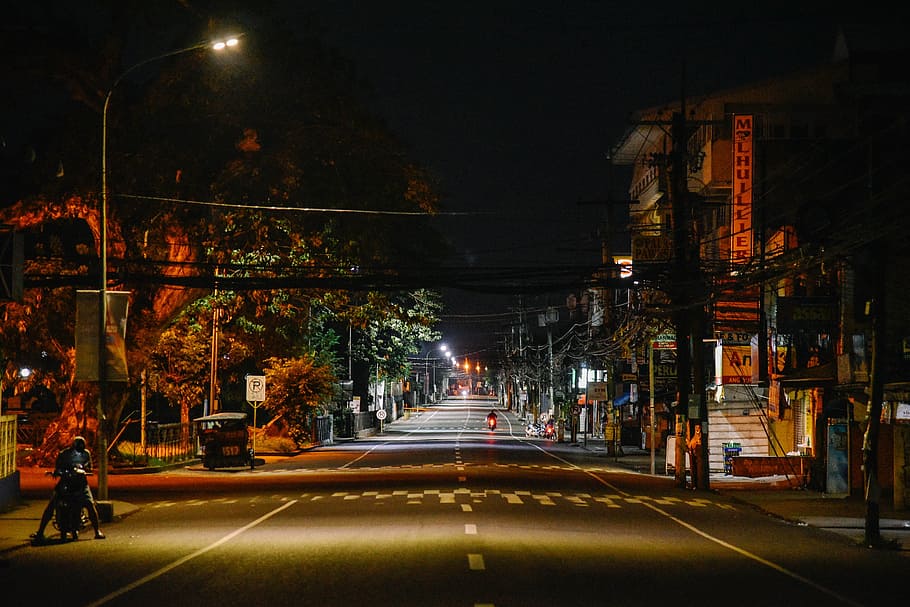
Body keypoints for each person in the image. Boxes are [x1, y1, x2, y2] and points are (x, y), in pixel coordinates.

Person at [31, 436, 105, 543]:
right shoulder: (64, 454)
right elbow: (58, 468)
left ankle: (97, 531)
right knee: (52, 505)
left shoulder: (86, 454)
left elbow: (90, 467)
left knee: (90, 504)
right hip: (66, 482)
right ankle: (40, 531)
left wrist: (85, 469)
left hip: (81, 484)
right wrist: (60, 472)